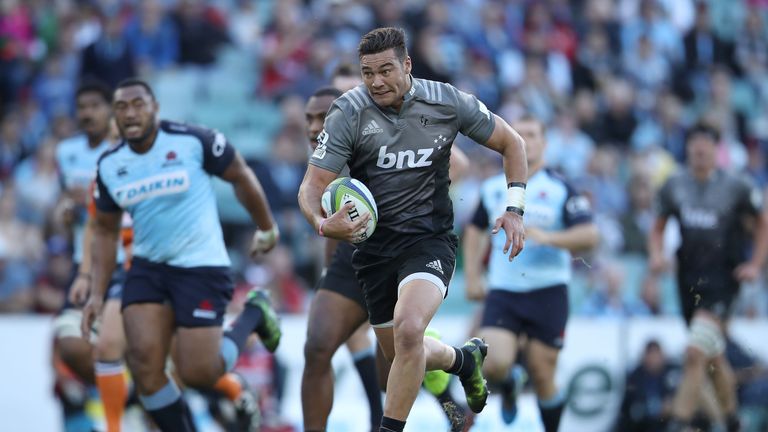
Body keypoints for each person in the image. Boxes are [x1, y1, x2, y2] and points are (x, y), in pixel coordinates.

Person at [298, 27, 528, 432]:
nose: (376, 82)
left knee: (408, 331)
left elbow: (513, 144)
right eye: (369, 73)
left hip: (428, 241)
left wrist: (515, 209)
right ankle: (462, 360)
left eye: (386, 70)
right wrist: (321, 222)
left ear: (407, 64)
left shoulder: (446, 101)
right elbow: (312, 187)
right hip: (371, 251)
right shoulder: (348, 111)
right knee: (402, 352)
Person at [81, 78, 282, 432]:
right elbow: (104, 229)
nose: (131, 113)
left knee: (198, 372)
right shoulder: (110, 165)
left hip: (200, 266)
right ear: (114, 116)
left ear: (155, 107)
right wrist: (96, 293)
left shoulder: (193, 140)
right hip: (147, 268)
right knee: (146, 368)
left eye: (138, 104)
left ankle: (253, 312)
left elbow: (240, 175)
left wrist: (266, 227)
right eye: (122, 107)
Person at [301, 86, 471, 432]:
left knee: (393, 367)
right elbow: (321, 206)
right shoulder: (328, 147)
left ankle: (453, 401)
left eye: (323, 116)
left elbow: (460, 164)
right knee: (318, 345)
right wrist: (327, 265)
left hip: (404, 251)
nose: (316, 126)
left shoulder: (379, 119)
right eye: (310, 118)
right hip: (351, 260)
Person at [464, 116, 599, 431]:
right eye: (518, 134)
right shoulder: (493, 188)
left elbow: (590, 235)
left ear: (544, 143)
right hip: (504, 291)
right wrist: (472, 275)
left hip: (548, 291)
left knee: (542, 374)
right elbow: (474, 230)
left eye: (531, 134)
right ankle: (509, 382)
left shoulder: (560, 188)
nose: (525, 140)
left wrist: (549, 237)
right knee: (494, 364)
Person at [648, 123, 768, 432]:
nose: (700, 150)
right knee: (713, 358)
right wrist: (657, 255)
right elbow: (658, 226)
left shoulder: (737, 186)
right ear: (687, 148)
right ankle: (732, 421)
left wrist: (755, 264)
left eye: (706, 145)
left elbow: (762, 223)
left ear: (717, 150)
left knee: (694, 353)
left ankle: (677, 423)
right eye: (695, 144)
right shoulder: (674, 185)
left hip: (724, 284)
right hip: (688, 283)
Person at [52, 81, 130, 432]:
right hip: (85, 262)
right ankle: (125, 396)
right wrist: (65, 212)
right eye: (82, 107)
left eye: (95, 106)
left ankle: (133, 399)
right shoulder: (66, 152)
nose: (87, 113)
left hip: (128, 262)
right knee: (69, 342)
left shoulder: (128, 152)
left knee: (137, 342)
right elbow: (65, 213)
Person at [617, 340, 680, 432]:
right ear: (644, 357)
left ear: (663, 356)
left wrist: (673, 405)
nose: (653, 359)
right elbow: (628, 410)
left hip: (672, 424)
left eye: (656, 354)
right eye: (650, 354)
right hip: (644, 426)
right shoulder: (635, 377)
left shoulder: (674, 373)